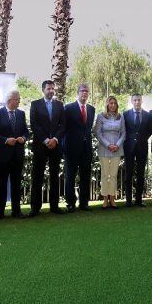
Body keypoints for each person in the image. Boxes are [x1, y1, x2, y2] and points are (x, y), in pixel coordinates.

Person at [0, 90, 28, 221]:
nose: (19, 101)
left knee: (16, 184)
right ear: (11, 100)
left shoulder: (21, 114)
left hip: (17, 155)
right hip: (2, 156)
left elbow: (26, 132)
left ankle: (16, 211)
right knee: (1, 184)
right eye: (18, 99)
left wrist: (23, 138)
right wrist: (5, 140)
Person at [29, 80, 66, 217]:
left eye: (52, 88)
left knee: (55, 177)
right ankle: (35, 208)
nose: (51, 91)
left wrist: (55, 140)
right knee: (37, 177)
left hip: (55, 147)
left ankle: (54, 206)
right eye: (48, 88)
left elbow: (63, 125)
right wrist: (45, 140)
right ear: (43, 90)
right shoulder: (35, 104)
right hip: (40, 146)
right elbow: (34, 125)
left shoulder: (59, 105)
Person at [63, 83, 95, 212]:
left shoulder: (92, 109)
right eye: (82, 91)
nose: (85, 93)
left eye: (87, 91)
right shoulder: (68, 108)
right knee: (70, 177)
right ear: (78, 92)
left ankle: (84, 203)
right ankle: (70, 203)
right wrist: (64, 146)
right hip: (71, 149)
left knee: (85, 176)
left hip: (86, 149)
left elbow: (88, 129)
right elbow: (63, 129)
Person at [93, 96, 126, 209]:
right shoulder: (101, 116)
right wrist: (108, 145)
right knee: (105, 175)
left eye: (114, 103)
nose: (112, 105)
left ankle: (112, 198)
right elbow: (98, 133)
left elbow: (123, 133)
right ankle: (105, 199)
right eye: (110, 103)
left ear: (117, 105)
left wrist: (117, 145)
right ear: (107, 104)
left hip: (117, 149)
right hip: (104, 149)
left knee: (113, 175)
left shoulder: (120, 117)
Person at [122, 94, 152, 207]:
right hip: (128, 147)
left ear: (142, 101)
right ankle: (128, 200)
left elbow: (150, 130)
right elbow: (123, 129)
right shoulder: (125, 115)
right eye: (134, 100)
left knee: (141, 174)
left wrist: (141, 139)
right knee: (128, 174)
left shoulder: (148, 116)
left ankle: (139, 200)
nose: (137, 102)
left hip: (142, 147)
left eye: (138, 100)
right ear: (131, 101)